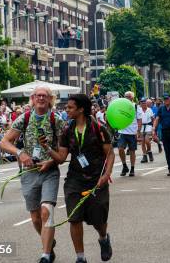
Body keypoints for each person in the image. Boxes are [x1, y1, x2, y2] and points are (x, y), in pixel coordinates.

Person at [44, 94, 114, 263]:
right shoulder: (67, 130)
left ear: (81, 109)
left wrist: (106, 175)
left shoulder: (98, 128)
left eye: (70, 107)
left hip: (97, 180)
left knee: (98, 220)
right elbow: (61, 158)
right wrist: (46, 147)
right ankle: (80, 257)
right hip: (74, 180)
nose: (66, 110)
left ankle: (103, 238)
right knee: (74, 219)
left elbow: (110, 154)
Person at [0, 85, 65, 263]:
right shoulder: (25, 118)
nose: (41, 98)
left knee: (46, 211)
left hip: (50, 171)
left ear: (50, 99)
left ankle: (45, 255)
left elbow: (64, 151)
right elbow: (4, 142)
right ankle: (49, 243)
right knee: (36, 217)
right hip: (29, 172)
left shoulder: (56, 119)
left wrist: (51, 161)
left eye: (45, 96)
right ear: (33, 98)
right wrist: (20, 153)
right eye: (38, 95)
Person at [117, 91, 141, 177]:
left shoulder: (135, 106)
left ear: (132, 98)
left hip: (132, 132)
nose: (126, 97)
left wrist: (138, 131)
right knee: (120, 149)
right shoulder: (121, 106)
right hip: (122, 131)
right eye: (125, 96)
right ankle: (124, 166)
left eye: (128, 96)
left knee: (132, 151)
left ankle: (132, 168)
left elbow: (139, 120)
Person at [139, 98, 155, 163]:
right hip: (141, 127)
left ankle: (149, 151)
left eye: (144, 103)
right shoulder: (139, 110)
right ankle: (144, 156)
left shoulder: (149, 110)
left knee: (147, 141)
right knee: (142, 142)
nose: (143, 104)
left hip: (148, 126)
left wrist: (154, 127)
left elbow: (153, 119)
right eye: (142, 103)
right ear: (140, 104)